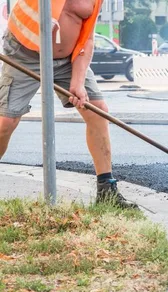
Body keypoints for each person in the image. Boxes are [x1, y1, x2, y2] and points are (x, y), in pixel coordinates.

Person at [0, 0, 137, 209]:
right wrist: (44, 22)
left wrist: (78, 81)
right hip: (24, 54)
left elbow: (87, 38)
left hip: (67, 60)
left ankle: (107, 191)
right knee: (5, 123)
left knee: (98, 111)